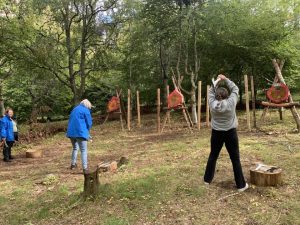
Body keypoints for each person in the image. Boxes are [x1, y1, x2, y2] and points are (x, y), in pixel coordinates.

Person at [203, 74, 249, 192]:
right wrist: (225, 79)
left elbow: (210, 91)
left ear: (216, 95)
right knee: (235, 159)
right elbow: (235, 89)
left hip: (216, 133)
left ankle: (207, 180)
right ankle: (241, 185)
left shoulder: (212, 103)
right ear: (227, 96)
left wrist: (218, 80)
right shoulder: (231, 102)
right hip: (230, 133)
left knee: (213, 156)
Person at [66, 99, 93, 173]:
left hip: (71, 133)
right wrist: (87, 131)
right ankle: (85, 168)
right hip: (80, 133)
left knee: (75, 148)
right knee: (83, 150)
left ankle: (73, 164)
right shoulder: (86, 110)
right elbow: (89, 123)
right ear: (88, 105)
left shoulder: (74, 109)